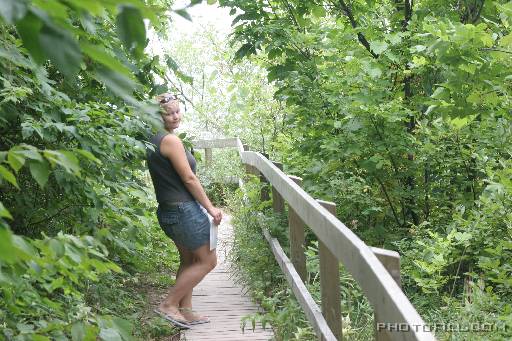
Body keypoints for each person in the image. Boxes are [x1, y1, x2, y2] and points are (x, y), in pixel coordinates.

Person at [147, 93, 223, 328]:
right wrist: (210, 208)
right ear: (158, 115)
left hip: (169, 211)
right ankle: (169, 304)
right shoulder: (171, 141)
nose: (175, 116)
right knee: (208, 261)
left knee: (189, 260)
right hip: (183, 211)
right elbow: (189, 178)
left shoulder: (153, 139)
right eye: (168, 113)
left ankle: (185, 310)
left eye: (177, 111)